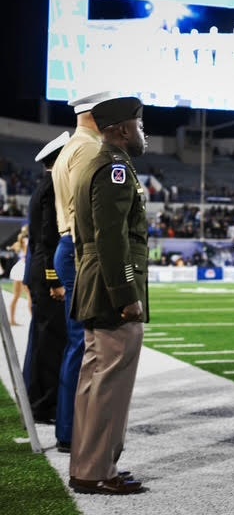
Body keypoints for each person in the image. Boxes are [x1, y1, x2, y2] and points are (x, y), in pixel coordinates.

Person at [68, 96, 149, 495]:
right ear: (120, 129)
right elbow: (112, 237)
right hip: (110, 287)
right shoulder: (114, 167)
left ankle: (87, 466)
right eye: (137, 124)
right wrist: (125, 293)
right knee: (110, 384)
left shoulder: (98, 163)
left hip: (95, 284)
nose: (141, 131)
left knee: (94, 380)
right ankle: (99, 470)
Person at [52, 90, 112, 453]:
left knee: (77, 343)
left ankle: (68, 428)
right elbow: (91, 213)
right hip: (79, 249)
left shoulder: (72, 146)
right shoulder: (89, 148)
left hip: (67, 246)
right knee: (87, 345)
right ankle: (74, 431)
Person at [22, 132, 69, 423]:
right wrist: (55, 280)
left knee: (41, 340)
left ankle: (36, 400)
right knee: (50, 343)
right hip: (47, 273)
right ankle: (44, 405)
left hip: (37, 271)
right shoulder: (53, 188)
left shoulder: (44, 185)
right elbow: (49, 238)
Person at [8, 225, 31, 325]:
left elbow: (13, 247)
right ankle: (34, 321)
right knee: (30, 296)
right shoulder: (28, 241)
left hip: (19, 268)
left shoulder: (21, 241)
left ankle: (12, 320)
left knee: (16, 296)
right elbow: (27, 256)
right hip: (25, 268)